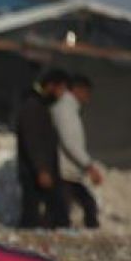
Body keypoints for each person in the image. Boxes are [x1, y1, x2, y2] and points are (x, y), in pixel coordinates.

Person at [15, 69, 70, 229]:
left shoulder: (40, 106)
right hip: (35, 169)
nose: (61, 95)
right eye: (61, 89)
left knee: (47, 211)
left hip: (40, 167)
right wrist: (41, 169)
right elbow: (33, 140)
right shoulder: (33, 107)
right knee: (33, 213)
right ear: (51, 86)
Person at [52, 74, 103, 228]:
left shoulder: (70, 109)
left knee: (86, 204)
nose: (88, 97)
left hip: (70, 171)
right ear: (77, 90)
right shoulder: (65, 109)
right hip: (65, 171)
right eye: (86, 92)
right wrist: (89, 166)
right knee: (71, 207)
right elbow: (70, 143)